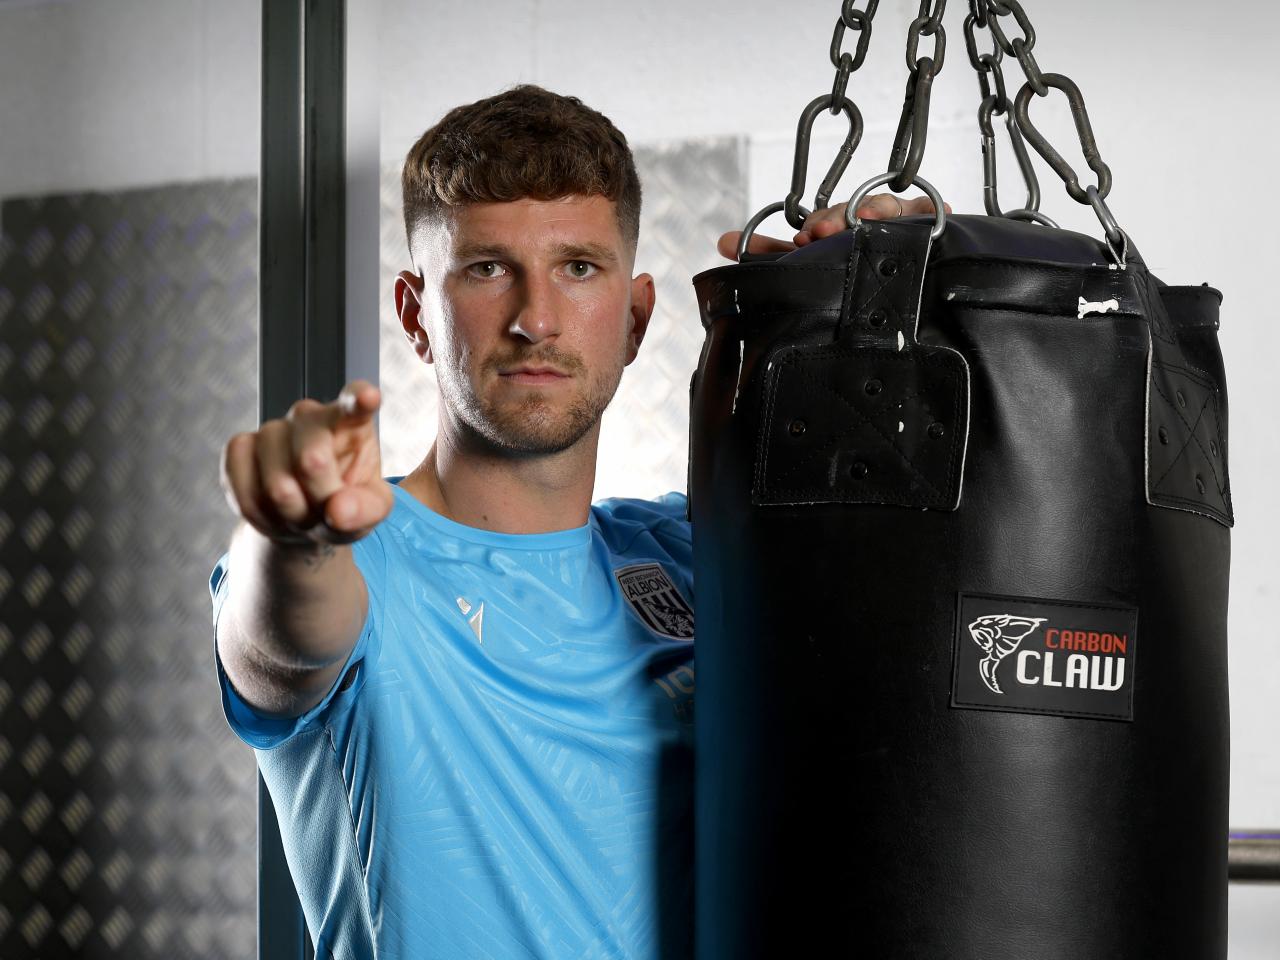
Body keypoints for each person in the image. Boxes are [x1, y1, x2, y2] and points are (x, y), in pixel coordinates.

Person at [211, 84, 940, 959]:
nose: (536, 319)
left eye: (578, 268)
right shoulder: (366, 563)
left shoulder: (687, 554)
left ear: (634, 320)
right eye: (486, 268)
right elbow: (284, 638)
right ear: (416, 315)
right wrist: (286, 533)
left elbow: (912, 614)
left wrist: (900, 312)